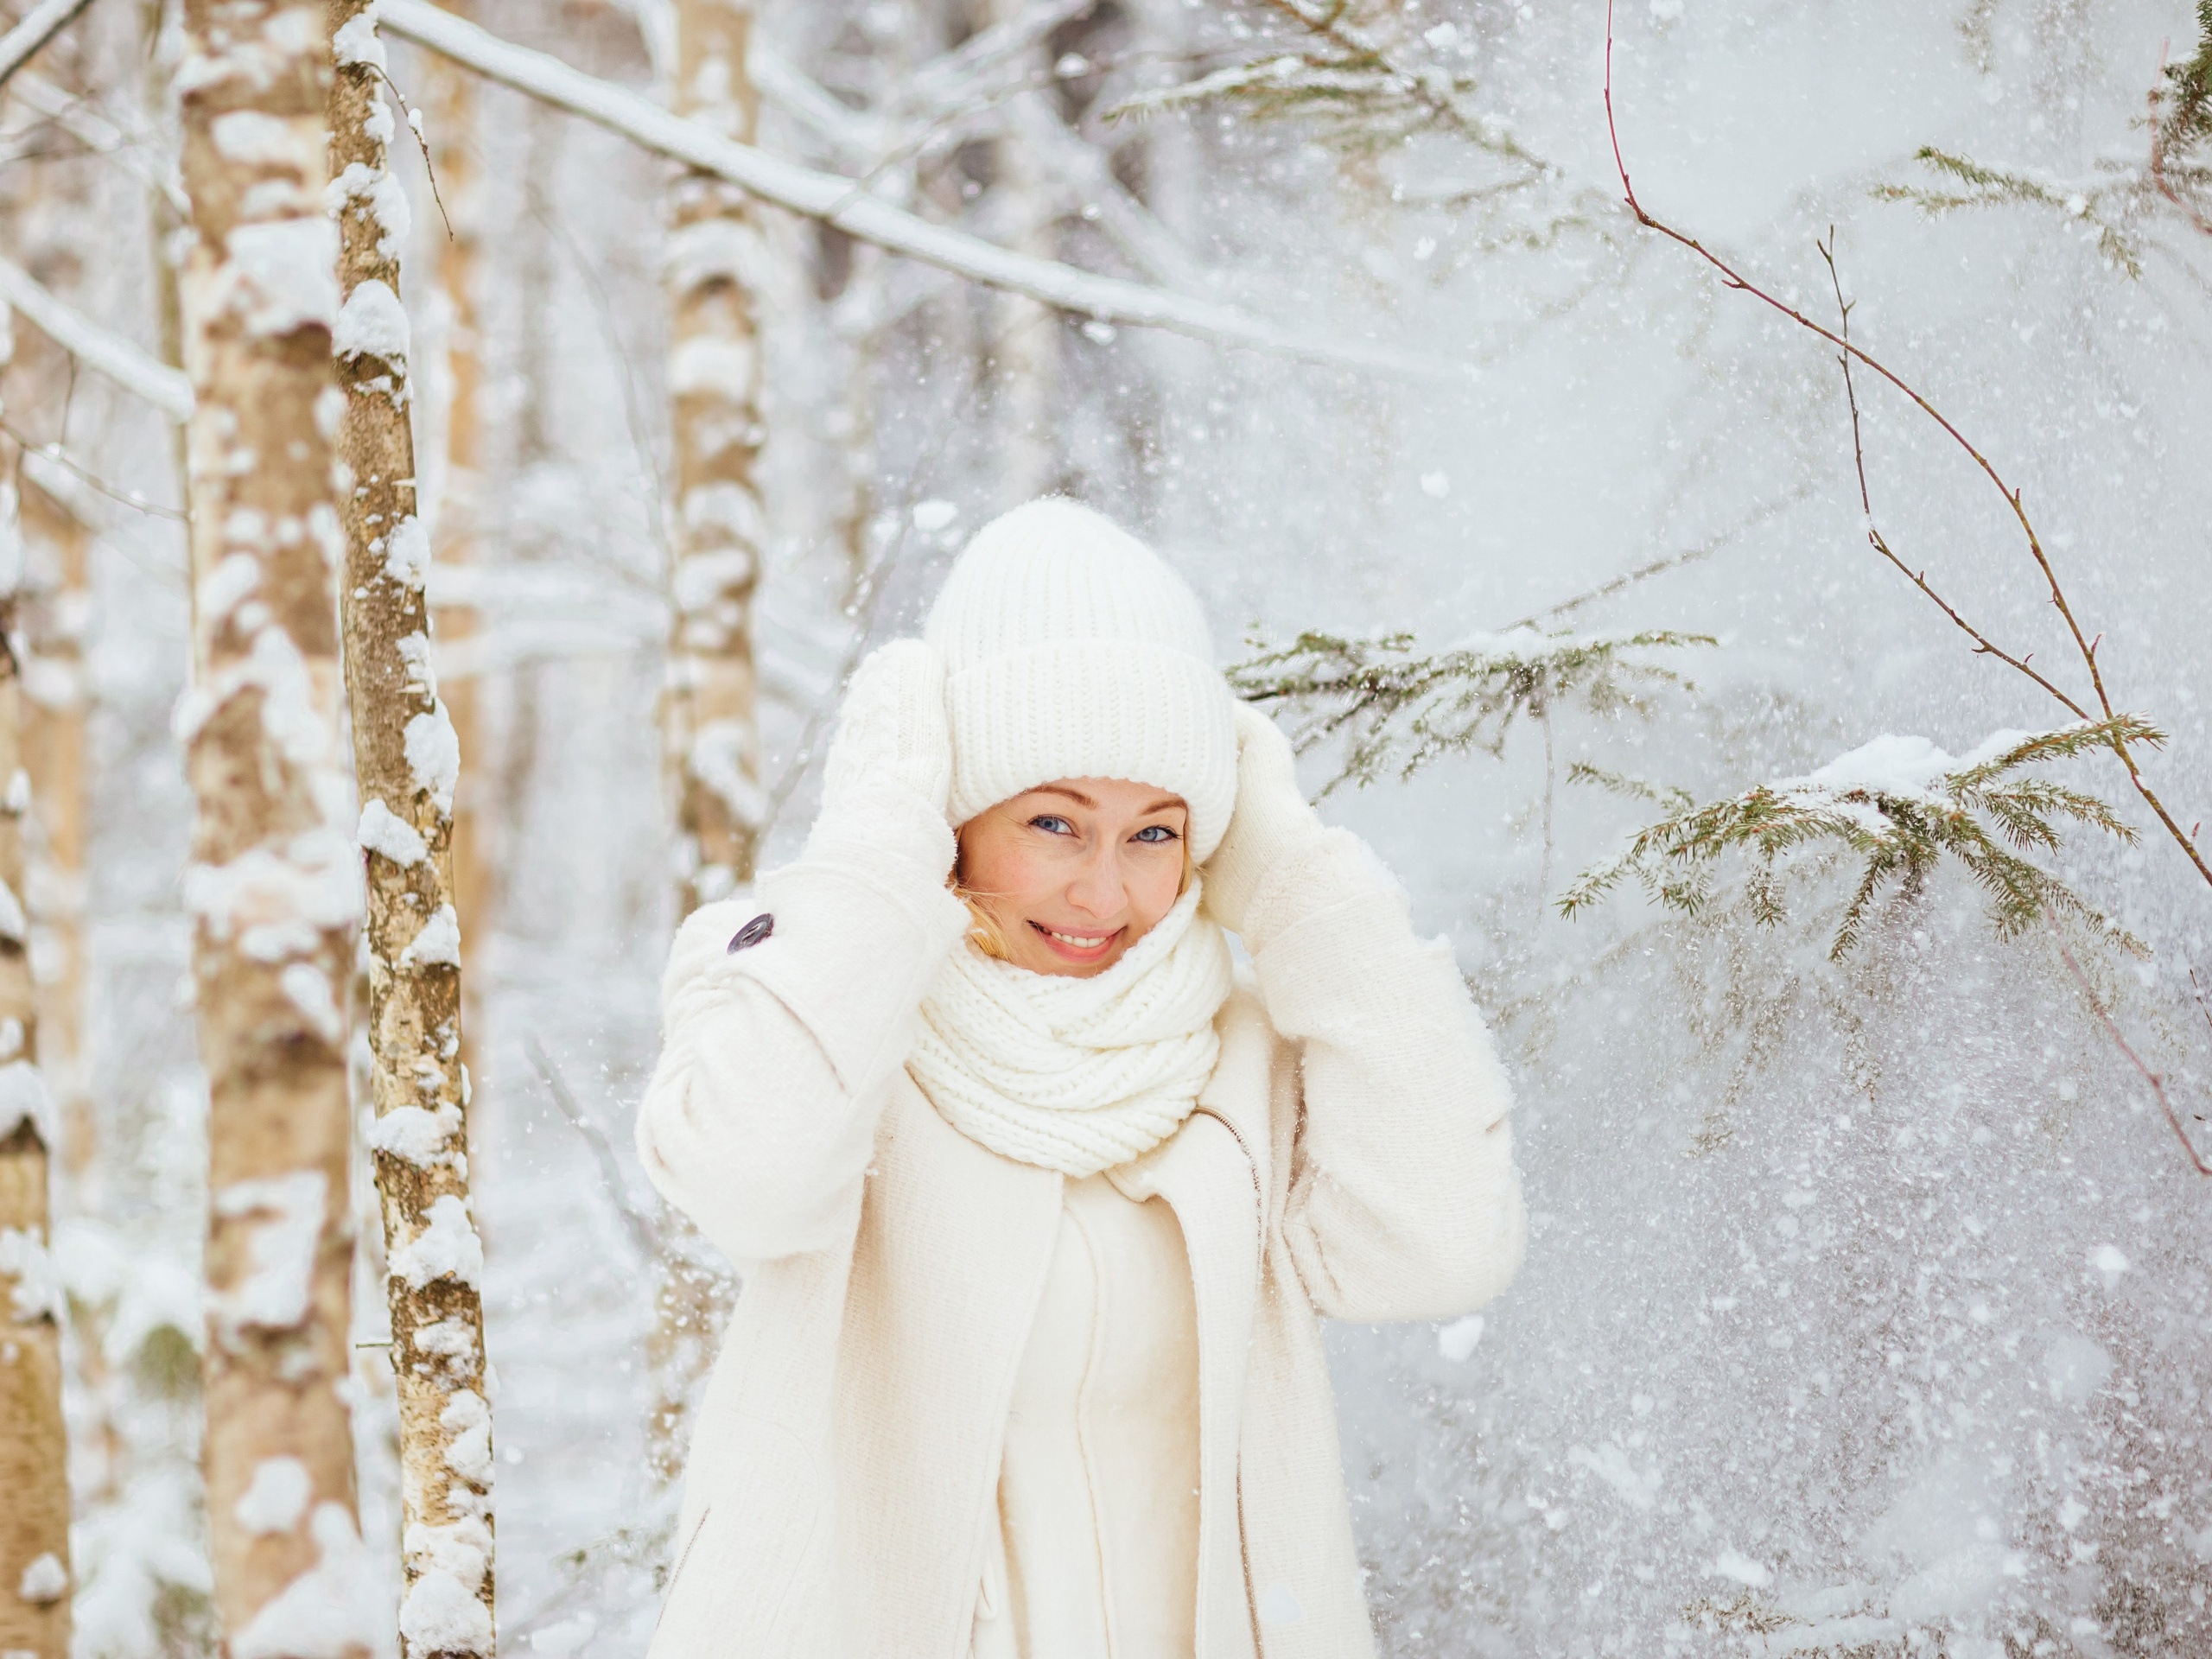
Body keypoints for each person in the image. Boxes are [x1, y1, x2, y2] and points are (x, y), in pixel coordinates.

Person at [636, 498, 1526, 1658]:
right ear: (953, 815)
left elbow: (1440, 1251)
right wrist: (874, 846)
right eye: (1054, 823)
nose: (1104, 895)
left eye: (1155, 833)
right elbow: (750, 1179)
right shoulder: (807, 1000)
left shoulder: (1244, 1053)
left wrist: (1304, 888)